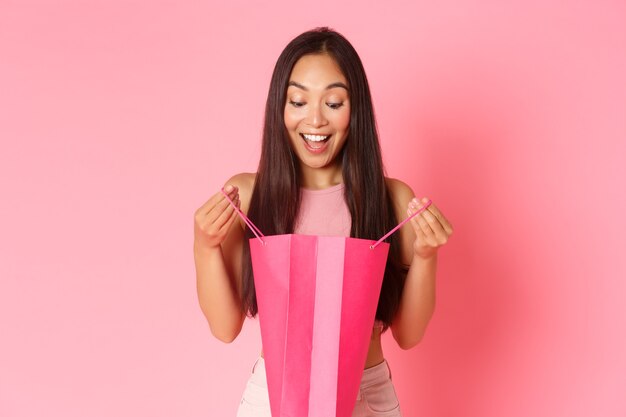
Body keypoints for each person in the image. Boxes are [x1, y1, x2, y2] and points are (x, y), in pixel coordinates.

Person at [193, 27, 453, 417]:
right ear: (279, 108)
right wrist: (205, 244)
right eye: (298, 101)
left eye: (333, 103)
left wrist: (426, 256)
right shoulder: (246, 196)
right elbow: (225, 327)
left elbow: (409, 335)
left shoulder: (393, 199)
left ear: (355, 110)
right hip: (274, 394)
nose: (314, 119)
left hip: (367, 395)